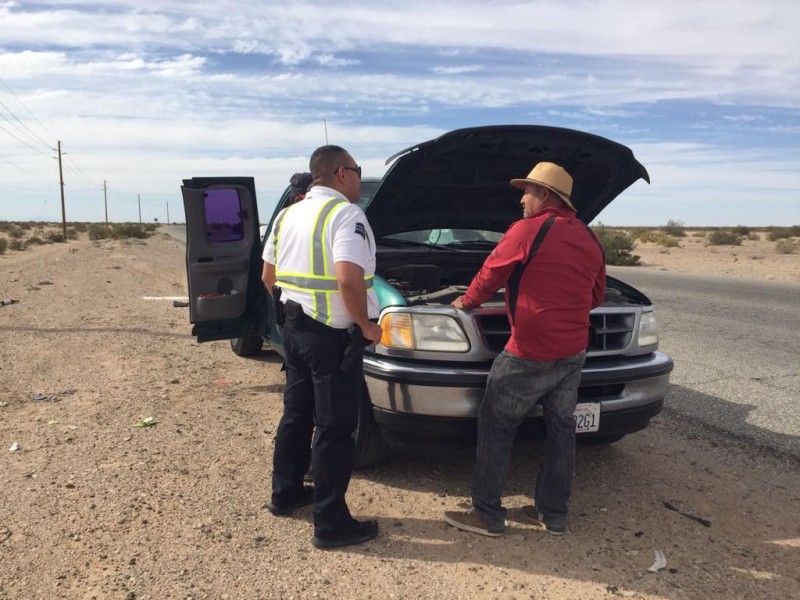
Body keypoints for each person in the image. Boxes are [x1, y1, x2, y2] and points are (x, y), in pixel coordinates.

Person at [443, 161, 606, 537]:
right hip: (573, 351)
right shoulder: (589, 237)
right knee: (562, 430)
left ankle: (487, 514)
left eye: (527, 191)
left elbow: (491, 273)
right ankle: (553, 514)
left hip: (528, 351)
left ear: (545, 195)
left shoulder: (529, 229)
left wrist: (465, 303)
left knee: (497, 426)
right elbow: (595, 296)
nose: (522, 198)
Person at [261, 145, 383, 550]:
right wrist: (365, 325)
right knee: (335, 427)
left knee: (296, 414)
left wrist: (293, 307)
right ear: (341, 174)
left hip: (294, 330)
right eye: (357, 170)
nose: (359, 179)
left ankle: (286, 494)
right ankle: (331, 524)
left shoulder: (287, 214)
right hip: (332, 337)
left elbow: (267, 276)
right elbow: (349, 279)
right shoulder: (346, 215)